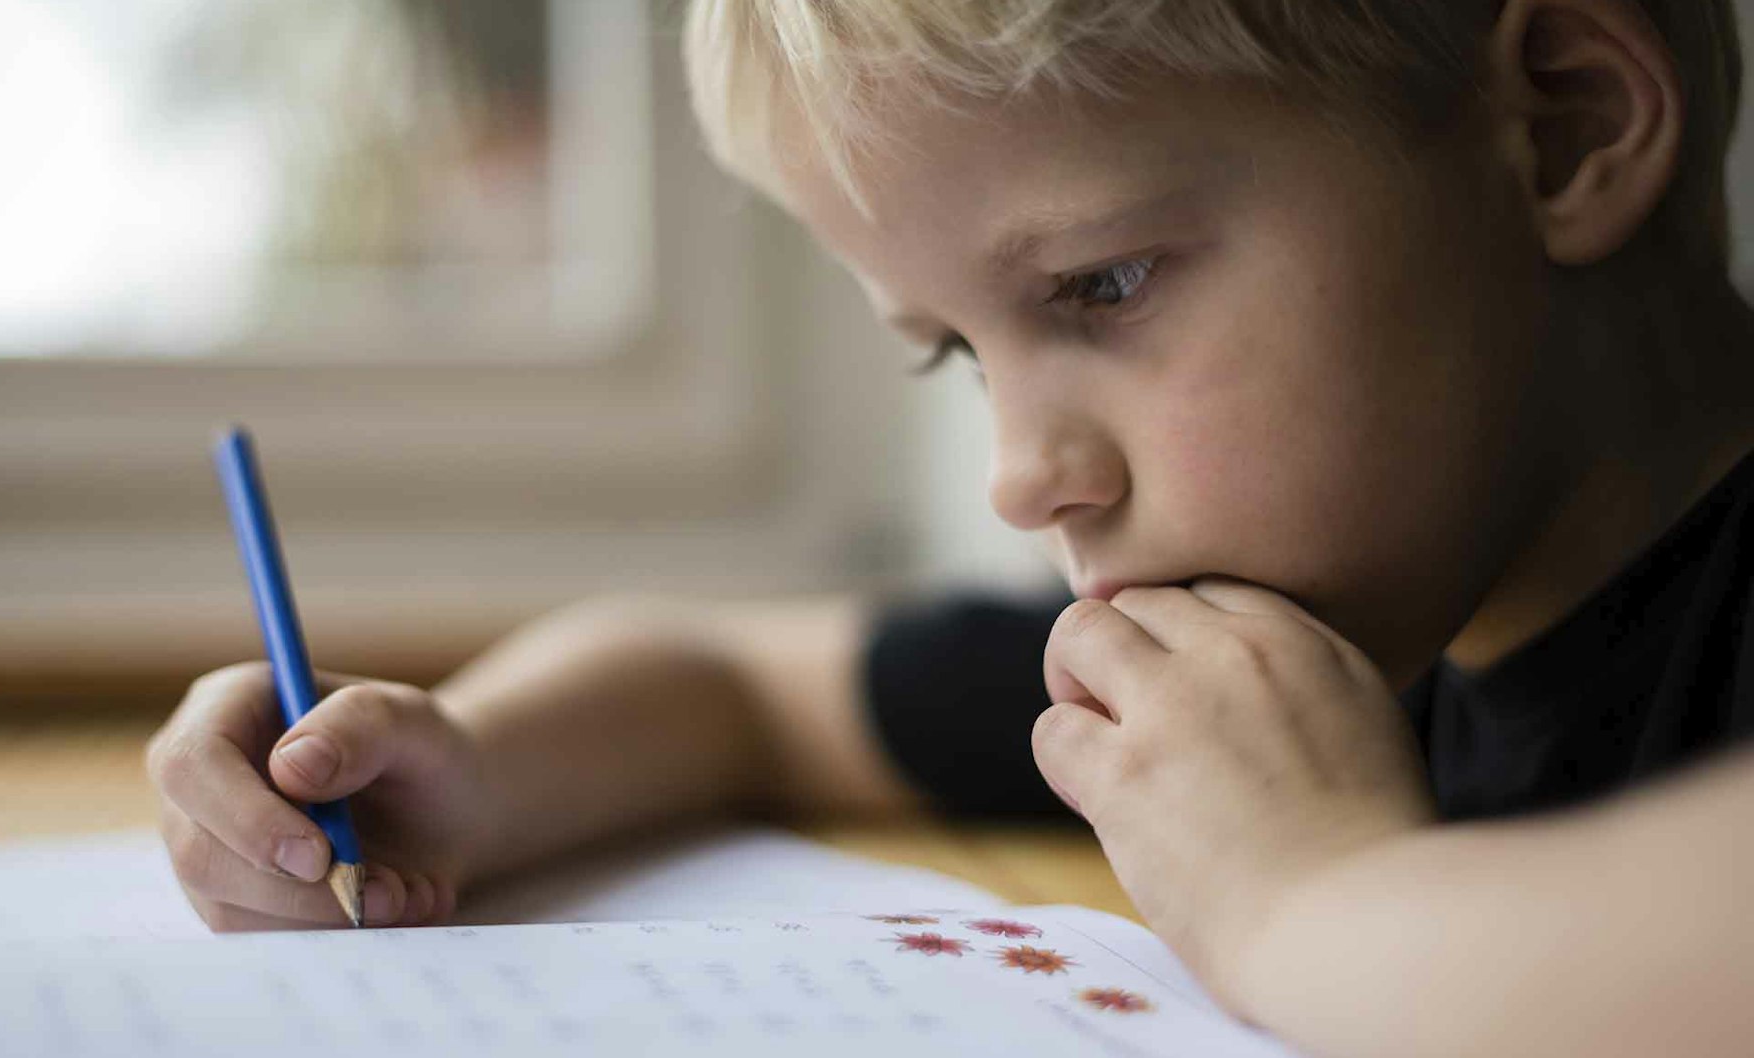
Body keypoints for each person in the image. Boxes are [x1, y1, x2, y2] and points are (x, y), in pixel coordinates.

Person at [146, 1, 1754, 1054]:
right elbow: (727, 676)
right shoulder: (1328, 618)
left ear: (1563, 125)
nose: (1015, 473)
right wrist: (457, 761)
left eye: (1100, 286)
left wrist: (1309, 902)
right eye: (958, 349)